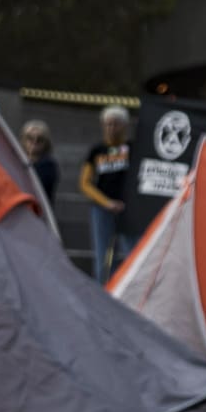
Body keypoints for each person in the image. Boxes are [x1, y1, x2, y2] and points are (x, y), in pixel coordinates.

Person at [80, 105, 134, 282]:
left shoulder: (133, 148)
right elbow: (85, 183)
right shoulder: (97, 150)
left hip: (128, 208)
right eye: (108, 124)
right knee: (102, 256)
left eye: (116, 124)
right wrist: (105, 202)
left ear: (124, 126)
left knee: (132, 253)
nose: (111, 128)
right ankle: (103, 292)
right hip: (102, 209)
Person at [21, 119, 59, 200]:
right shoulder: (16, 159)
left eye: (40, 139)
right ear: (24, 140)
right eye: (30, 138)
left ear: (46, 143)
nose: (34, 142)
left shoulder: (49, 166)